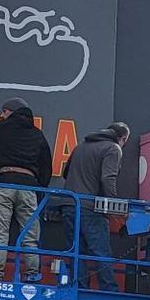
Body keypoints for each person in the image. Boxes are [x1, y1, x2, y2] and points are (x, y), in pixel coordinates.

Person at [0, 95, 53, 281]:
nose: (1, 115)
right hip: (28, 188)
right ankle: (32, 275)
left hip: (4, 185)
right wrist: (38, 188)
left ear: (10, 112)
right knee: (30, 237)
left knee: (0, 235)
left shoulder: (5, 127)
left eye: (3, 112)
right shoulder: (37, 134)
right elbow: (46, 167)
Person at [61, 122, 131, 288]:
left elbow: (66, 173)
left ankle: (79, 287)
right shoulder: (113, 148)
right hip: (91, 208)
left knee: (76, 251)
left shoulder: (81, 146)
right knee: (100, 251)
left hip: (68, 204)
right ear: (123, 138)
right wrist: (114, 206)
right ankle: (109, 289)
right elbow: (108, 178)